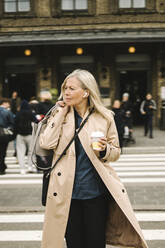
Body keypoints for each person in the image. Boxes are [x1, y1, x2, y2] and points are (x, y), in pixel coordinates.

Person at [39, 69, 148, 248]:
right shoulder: (60, 115)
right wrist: (60, 113)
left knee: (95, 243)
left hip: (95, 194)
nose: (66, 92)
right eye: (65, 87)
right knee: (74, 243)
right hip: (67, 194)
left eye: (72, 88)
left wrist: (105, 150)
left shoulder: (105, 117)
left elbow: (116, 152)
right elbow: (47, 143)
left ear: (86, 92)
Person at [14, 100, 37, 174]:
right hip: (30, 134)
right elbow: (36, 121)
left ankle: (22, 168)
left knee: (20, 152)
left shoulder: (18, 113)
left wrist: (14, 134)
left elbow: (15, 124)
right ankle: (30, 166)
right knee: (31, 152)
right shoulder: (31, 113)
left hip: (20, 135)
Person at [0, 98, 14, 175]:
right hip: (3, 134)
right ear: (4, 103)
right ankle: (2, 168)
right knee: (2, 152)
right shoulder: (7, 112)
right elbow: (12, 123)